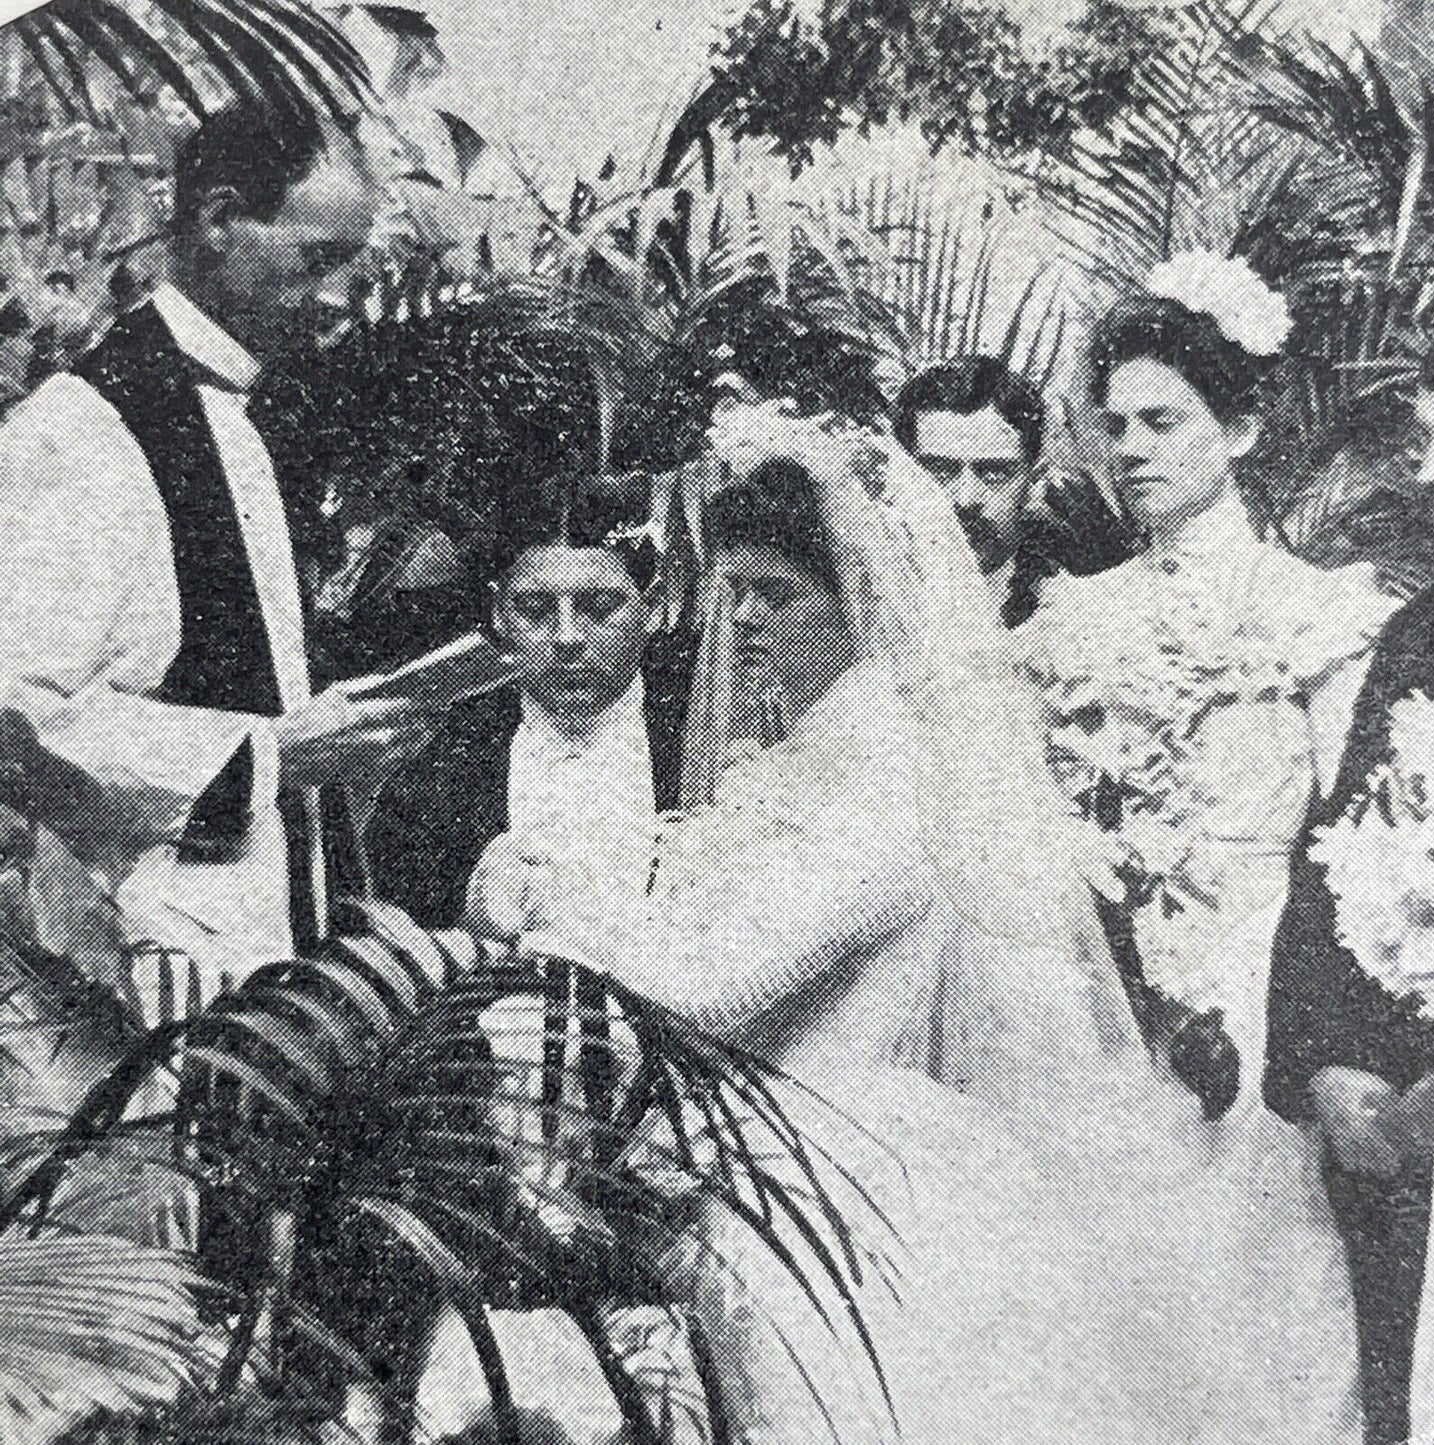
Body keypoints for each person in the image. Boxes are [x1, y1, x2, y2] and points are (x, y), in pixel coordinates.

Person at [468, 397, 1365, 1445]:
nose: (743, 620)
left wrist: (533, 906)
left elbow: (713, 979)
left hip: (842, 1172)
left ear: (861, 597)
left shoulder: (894, 773)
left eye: (775, 592)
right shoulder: (809, 752)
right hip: (763, 1153)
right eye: (733, 591)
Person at [1021, 256, 1395, 1443]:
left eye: (1161, 419)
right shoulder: (1068, 618)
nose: (1128, 447)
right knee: (1117, 1293)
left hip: (1267, 972)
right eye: (1111, 422)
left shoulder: (1320, 610)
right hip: (1104, 987)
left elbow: (1361, 833)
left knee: (1263, 1295)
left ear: (1237, 425)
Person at [0, 101, 430, 994]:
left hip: (255, 917)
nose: (343, 297)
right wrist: (271, 753)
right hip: (140, 939)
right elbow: (23, 716)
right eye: (319, 260)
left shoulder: (238, 407)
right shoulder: (84, 428)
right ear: (222, 221)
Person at [1268, 342, 1434, 1445]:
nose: (1427, 477)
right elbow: (1337, 853)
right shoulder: (1421, 631)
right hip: (1397, 1134)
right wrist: (1330, 1059)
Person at [367, 470, 692, 929]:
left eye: (599, 608)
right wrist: (467, 913)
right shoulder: (440, 754)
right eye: (534, 609)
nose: (567, 638)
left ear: (653, 607)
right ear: (498, 613)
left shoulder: (701, 729)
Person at [893, 354, 1136, 627]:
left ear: (1034, 479)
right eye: (939, 472)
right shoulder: (867, 605)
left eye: (995, 473)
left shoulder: (1080, 617)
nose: (966, 499)